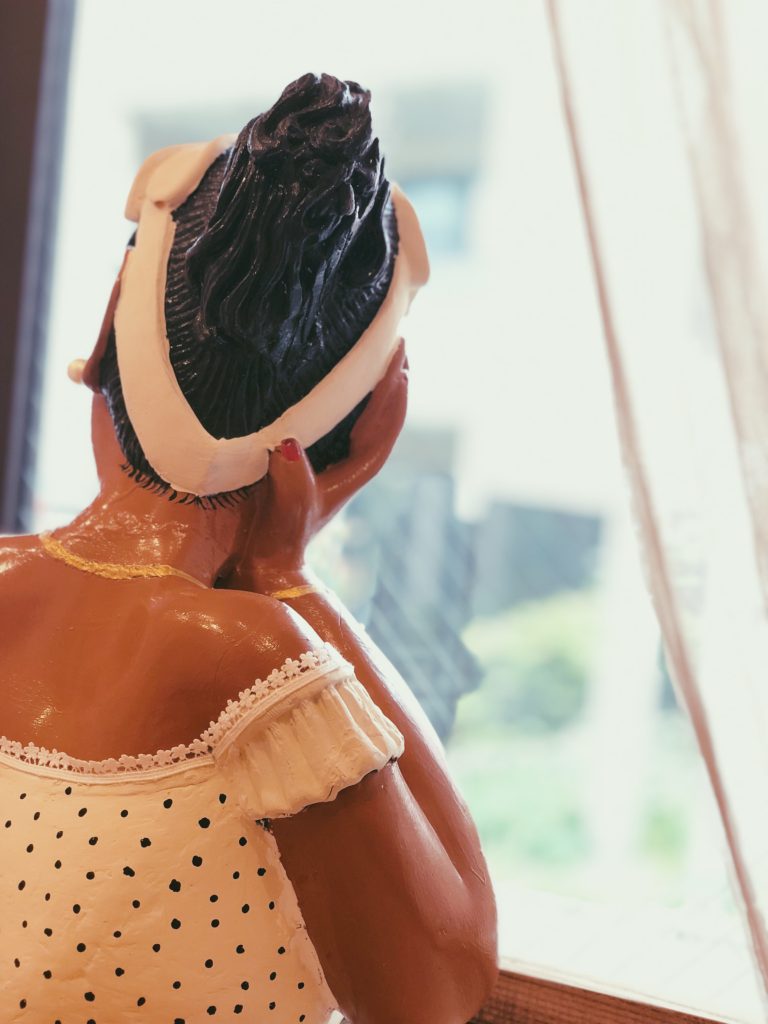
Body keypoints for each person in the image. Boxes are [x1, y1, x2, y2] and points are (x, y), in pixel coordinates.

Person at [0, 73, 497, 1024]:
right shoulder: (254, 659)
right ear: (371, 428)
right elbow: (443, 986)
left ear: (105, 335)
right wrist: (288, 578)